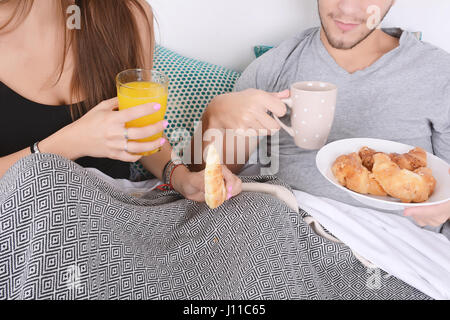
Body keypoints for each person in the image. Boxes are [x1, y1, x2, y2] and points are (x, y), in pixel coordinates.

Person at [201, 0, 450, 236]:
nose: (347, 8)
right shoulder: (274, 67)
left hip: (393, 252)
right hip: (279, 231)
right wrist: (215, 116)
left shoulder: (438, 73)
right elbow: (207, 185)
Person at [0, 0, 242, 201]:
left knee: (262, 213)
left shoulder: (128, 14)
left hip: (117, 218)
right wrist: (71, 143)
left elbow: (139, 131)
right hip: (26, 222)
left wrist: (182, 178)